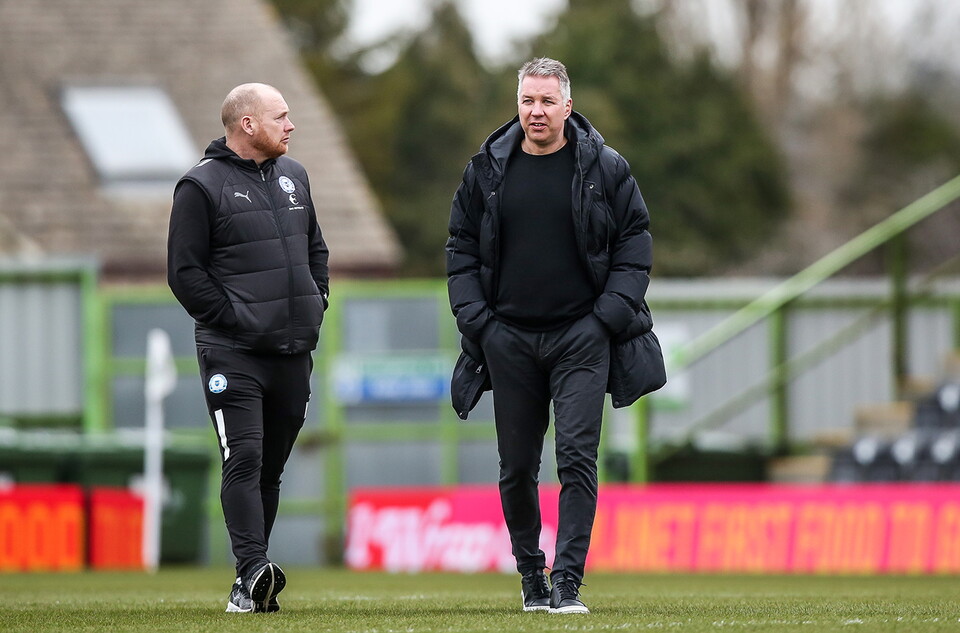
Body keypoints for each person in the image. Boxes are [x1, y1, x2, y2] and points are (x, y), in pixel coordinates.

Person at [446, 58, 662, 614]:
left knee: (576, 460)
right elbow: (460, 249)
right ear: (516, 104)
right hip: (507, 340)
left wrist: (604, 319)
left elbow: (634, 245)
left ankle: (568, 581)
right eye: (527, 101)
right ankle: (531, 576)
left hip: (581, 337)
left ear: (568, 105)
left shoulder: (607, 168)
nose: (535, 112)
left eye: (546, 102)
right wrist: (481, 325)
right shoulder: (485, 170)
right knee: (516, 467)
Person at [167, 83, 329, 614]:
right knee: (245, 456)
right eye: (281, 116)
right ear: (248, 125)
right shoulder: (200, 186)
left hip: (292, 350)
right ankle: (253, 570)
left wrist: (316, 301)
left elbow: (316, 249)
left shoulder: (295, 177)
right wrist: (235, 319)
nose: (291, 125)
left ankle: (249, 581)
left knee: (271, 468)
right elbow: (184, 274)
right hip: (231, 352)